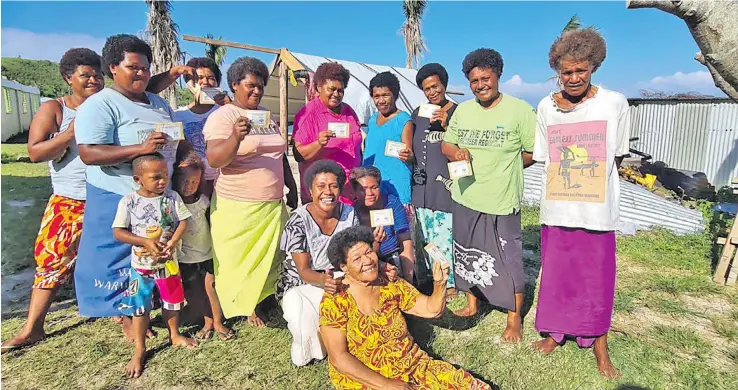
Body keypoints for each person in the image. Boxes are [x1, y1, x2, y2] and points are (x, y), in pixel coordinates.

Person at [74, 35, 190, 336]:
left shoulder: (158, 102)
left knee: (152, 253)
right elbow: (88, 152)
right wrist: (138, 149)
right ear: (113, 68)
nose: (141, 73)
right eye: (133, 67)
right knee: (118, 257)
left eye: (145, 68)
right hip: (116, 193)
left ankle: (146, 308)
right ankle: (126, 316)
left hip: (158, 195)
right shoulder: (100, 104)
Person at [530, 29, 628, 378]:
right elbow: (544, 157)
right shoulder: (545, 107)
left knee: (597, 280)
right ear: (557, 70)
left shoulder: (614, 103)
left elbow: (615, 158)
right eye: (566, 72)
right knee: (559, 276)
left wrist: (594, 190)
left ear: (593, 66)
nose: (573, 78)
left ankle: (600, 344)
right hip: (557, 208)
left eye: (580, 71)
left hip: (597, 211)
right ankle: (556, 333)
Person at [1, 48, 104, 354]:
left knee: (109, 260)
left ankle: (120, 316)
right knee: (52, 261)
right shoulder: (54, 109)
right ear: (68, 78)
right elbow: (34, 152)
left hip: (107, 195)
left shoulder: (108, 104)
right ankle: (33, 328)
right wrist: (70, 133)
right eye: (85, 75)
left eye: (97, 74)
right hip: (70, 199)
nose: (94, 80)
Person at [319, 226, 490, 390]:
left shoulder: (389, 283)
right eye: (357, 259)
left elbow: (432, 310)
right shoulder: (335, 300)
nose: (368, 261)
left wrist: (440, 283)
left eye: (369, 252)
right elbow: (339, 358)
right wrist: (386, 384)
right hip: (367, 379)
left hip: (411, 365)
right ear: (343, 267)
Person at [441, 48, 536, 342]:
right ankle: (473, 302)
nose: (480, 85)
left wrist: (503, 166)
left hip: (501, 198)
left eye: (485, 78)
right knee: (467, 252)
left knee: (509, 259)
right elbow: (447, 144)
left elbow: (532, 153)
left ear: (498, 76)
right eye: (474, 80)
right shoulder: (464, 110)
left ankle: (514, 317)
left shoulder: (520, 111)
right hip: (465, 194)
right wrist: (455, 152)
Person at [204, 56, 298, 327]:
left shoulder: (265, 117)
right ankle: (244, 308)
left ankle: (262, 301)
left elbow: (279, 154)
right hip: (238, 206)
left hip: (270, 206)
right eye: (250, 85)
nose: (256, 91)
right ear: (234, 85)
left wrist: (289, 187)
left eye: (261, 86)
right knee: (239, 262)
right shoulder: (223, 117)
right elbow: (214, 159)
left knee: (270, 259)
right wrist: (235, 136)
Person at [113, 153, 196, 378]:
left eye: (166, 176)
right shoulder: (129, 201)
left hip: (169, 264)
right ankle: (140, 349)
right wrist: (144, 242)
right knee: (140, 306)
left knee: (173, 301)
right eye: (156, 177)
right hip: (140, 267)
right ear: (138, 179)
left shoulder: (172, 197)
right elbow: (118, 231)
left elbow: (184, 221)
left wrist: (172, 242)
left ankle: (174, 334)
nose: (163, 181)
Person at [276, 160, 359, 366]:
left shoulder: (350, 214)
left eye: (333, 185)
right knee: (305, 345)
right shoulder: (298, 220)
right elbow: (303, 270)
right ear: (310, 190)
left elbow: (355, 254)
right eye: (321, 186)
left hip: (340, 276)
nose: (327, 192)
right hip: (302, 283)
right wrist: (325, 281)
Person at [173, 153, 233, 341]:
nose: (189, 186)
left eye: (194, 181)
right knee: (195, 292)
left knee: (211, 288)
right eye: (184, 181)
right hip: (185, 258)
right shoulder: (172, 204)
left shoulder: (204, 202)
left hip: (207, 254)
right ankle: (206, 321)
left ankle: (217, 321)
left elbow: (214, 225)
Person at [411, 63, 458, 291]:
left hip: (445, 187)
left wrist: (447, 125)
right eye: (427, 89)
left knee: (444, 234)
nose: (432, 92)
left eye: (435, 86)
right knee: (426, 234)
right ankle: (431, 277)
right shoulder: (418, 114)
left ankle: (449, 282)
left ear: (444, 85)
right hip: (421, 186)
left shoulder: (458, 112)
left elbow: (465, 147)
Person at [292, 63, 363, 205]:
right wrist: (318, 143)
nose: (336, 94)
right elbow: (298, 155)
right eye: (331, 89)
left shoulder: (349, 112)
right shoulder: (309, 114)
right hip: (324, 196)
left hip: (349, 194)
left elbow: (357, 147)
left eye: (340, 90)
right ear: (319, 87)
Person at [172, 57, 231, 198]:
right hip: (192, 186)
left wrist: (230, 106)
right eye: (199, 78)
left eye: (211, 78)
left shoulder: (227, 111)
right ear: (189, 83)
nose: (205, 82)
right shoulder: (177, 116)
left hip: (224, 183)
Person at [350, 166, 415, 282]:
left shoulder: (392, 204)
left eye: (374, 187)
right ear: (354, 191)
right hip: (365, 263)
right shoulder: (351, 213)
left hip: (393, 259)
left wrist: (409, 281)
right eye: (363, 189)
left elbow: (406, 242)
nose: (369, 193)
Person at [362, 71, 414, 206]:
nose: (381, 101)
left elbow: (410, 155)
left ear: (395, 95)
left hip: (396, 189)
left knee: (397, 226)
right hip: (373, 189)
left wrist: (407, 155)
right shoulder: (373, 119)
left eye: (385, 95)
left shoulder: (403, 120)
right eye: (376, 96)